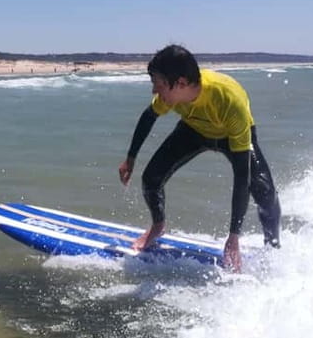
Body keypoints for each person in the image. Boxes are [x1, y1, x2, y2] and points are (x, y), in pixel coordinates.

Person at [118, 45, 281, 271]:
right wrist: (131, 158)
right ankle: (158, 225)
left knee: (265, 192)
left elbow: (242, 176)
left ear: (182, 83)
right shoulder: (170, 94)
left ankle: (273, 248)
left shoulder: (228, 101)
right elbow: (149, 117)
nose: (155, 90)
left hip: (230, 134)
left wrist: (234, 236)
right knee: (151, 179)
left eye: (159, 84)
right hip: (193, 130)